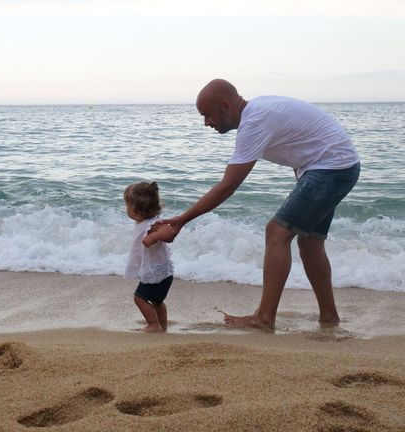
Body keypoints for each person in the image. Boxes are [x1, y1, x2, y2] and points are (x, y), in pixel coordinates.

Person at [152, 79, 360, 329]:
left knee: (276, 232)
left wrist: (181, 220)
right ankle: (328, 316)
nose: (206, 123)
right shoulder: (258, 110)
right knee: (310, 241)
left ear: (226, 105)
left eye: (207, 115)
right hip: (337, 165)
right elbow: (303, 140)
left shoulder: (254, 122)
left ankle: (264, 318)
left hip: (331, 167)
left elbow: (227, 186)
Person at [124, 181, 175, 332]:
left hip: (156, 273)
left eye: (127, 205)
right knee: (157, 301)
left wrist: (154, 237)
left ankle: (153, 324)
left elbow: (169, 231)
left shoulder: (152, 224)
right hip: (160, 272)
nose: (126, 209)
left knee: (139, 298)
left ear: (137, 209)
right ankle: (162, 324)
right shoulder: (143, 223)